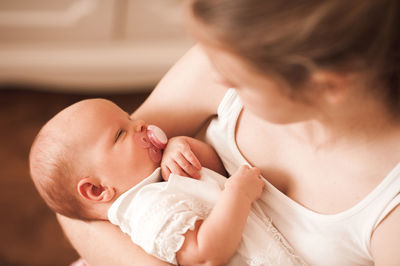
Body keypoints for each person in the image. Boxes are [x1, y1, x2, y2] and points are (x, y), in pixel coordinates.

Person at [57, 0, 400, 265]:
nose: (217, 77)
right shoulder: (228, 53)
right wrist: (186, 151)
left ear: (327, 86)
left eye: (238, 78)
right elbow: (73, 191)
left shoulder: (388, 210)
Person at [29, 99, 307, 265]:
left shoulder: (158, 185)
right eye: (119, 134)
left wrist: (181, 148)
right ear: (97, 189)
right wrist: (239, 194)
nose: (139, 124)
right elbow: (205, 255)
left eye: (130, 117)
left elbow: (212, 175)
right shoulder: (148, 209)